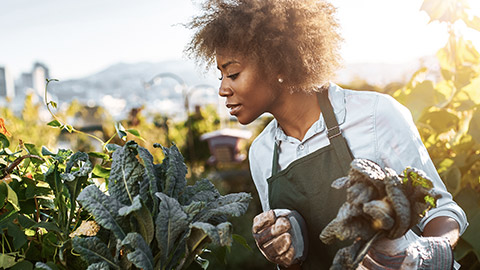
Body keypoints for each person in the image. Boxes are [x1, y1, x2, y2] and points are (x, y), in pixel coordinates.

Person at [186, 0, 468, 269]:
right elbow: (290, 263)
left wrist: (432, 251)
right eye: (220, 76)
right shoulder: (261, 154)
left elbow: (441, 210)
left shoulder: (374, 115)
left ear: (279, 64)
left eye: (232, 74)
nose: (223, 89)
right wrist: (285, 252)